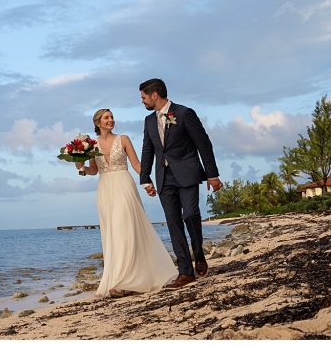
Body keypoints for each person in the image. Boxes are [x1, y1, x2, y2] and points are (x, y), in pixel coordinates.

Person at [76, 108, 177, 297]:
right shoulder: (91, 145)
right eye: (106, 118)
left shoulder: (123, 139)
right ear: (97, 122)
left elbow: (137, 165)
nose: (111, 120)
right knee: (113, 232)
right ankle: (117, 279)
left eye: (112, 117)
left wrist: (147, 182)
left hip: (124, 185)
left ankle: (126, 280)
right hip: (105, 189)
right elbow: (93, 170)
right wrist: (79, 167)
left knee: (125, 228)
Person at [138, 78, 222, 290]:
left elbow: (203, 144)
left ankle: (198, 252)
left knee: (190, 215)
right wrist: (145, 178)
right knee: (174, 223)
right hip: (164, 178)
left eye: (143, 97)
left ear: (154, 95)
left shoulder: (184, 113)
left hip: (188, 173)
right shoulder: (148, 121)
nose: (142, 101)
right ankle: (185, 272)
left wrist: (212, 174)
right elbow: (147, 150)